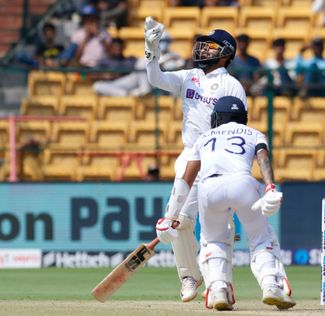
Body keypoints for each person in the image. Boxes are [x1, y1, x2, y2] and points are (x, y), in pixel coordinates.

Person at [155, 96, 295, 311]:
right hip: (243, 183)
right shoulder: (255, 133)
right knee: (260, 238)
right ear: (243, 117)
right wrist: (269, 187)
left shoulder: (204, 137)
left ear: (216, 118)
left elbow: (186, 179)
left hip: (209, 188)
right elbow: (263, 159)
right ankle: (270, 285)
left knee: (213, 241)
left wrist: (170, 215)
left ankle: (219, 289)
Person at [144, 17, 246, 302]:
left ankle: (222, 284)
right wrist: (151, 50)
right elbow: (156, 78)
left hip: (218, 160)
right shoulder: (189, 76)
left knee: (220, 226)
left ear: (225, 54)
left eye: (210, 47)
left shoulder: (232, 86)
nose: (202, 50)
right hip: (189, 154)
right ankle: (190, 277)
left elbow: (238, 127)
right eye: (202, 45)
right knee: (177, 221)